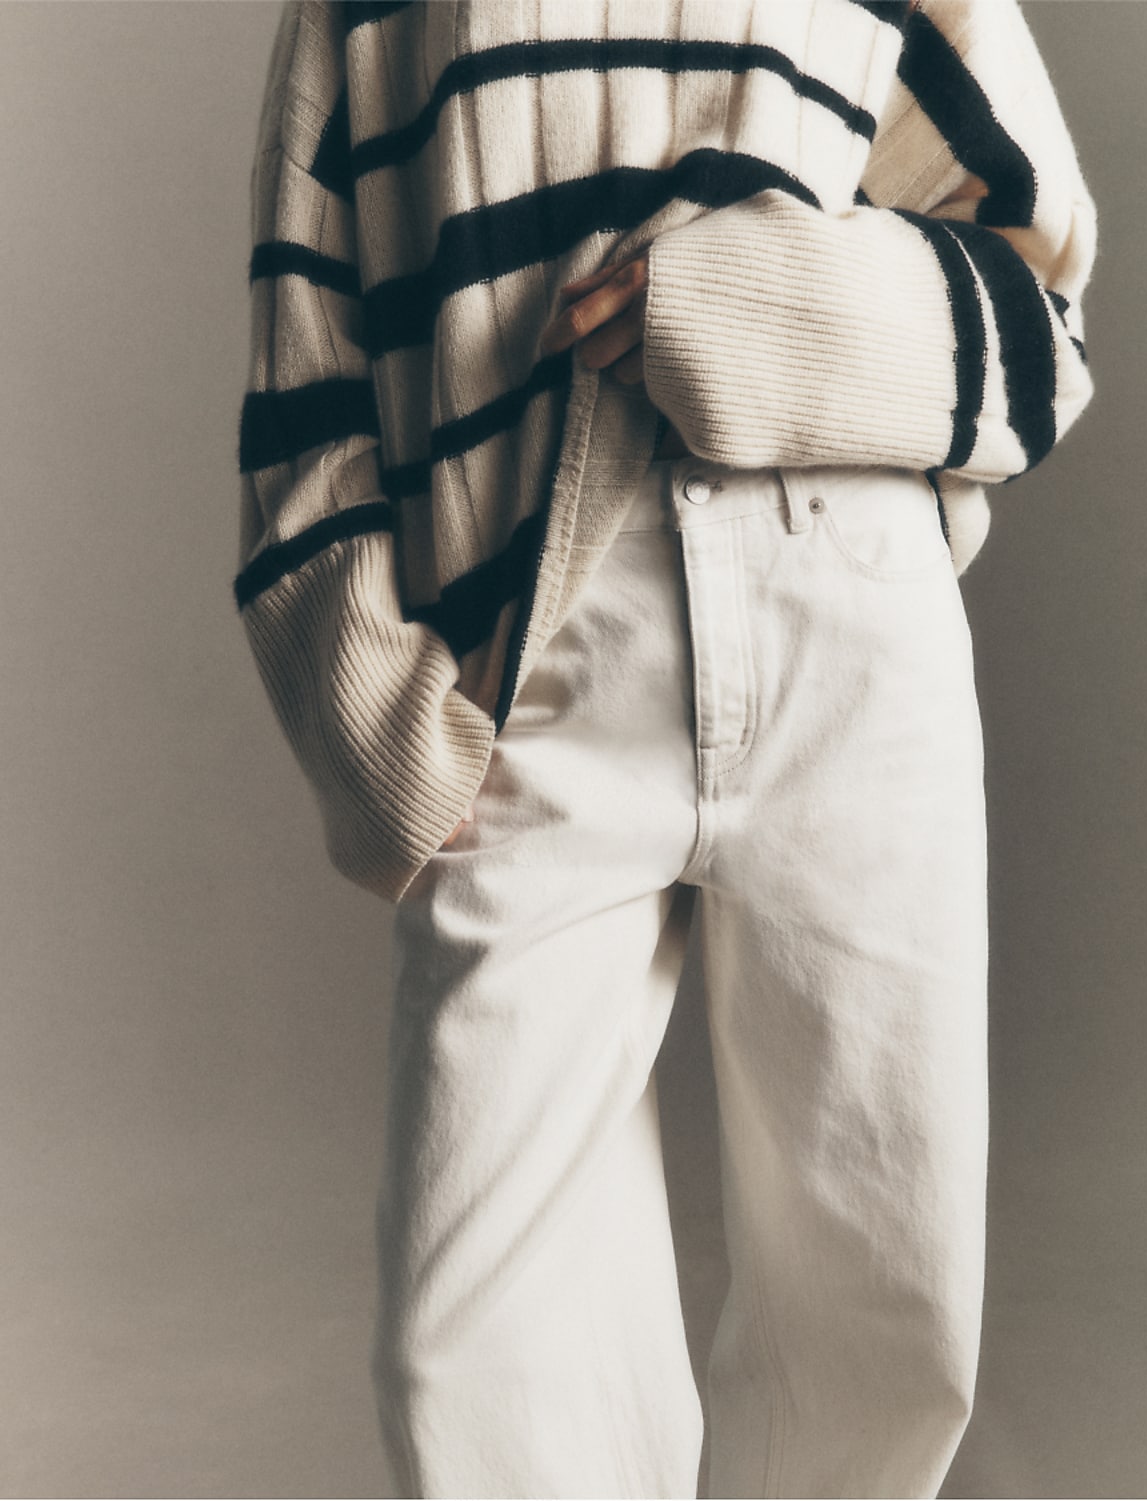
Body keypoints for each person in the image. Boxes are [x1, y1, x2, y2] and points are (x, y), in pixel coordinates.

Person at [235, 1, 1095, 1495]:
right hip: (538, 649)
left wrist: (770, 305)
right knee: (474, 1322)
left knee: (883, 1292)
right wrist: (373, 704)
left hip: (848, 605)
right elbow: (306, 372)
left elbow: (1041, 315)